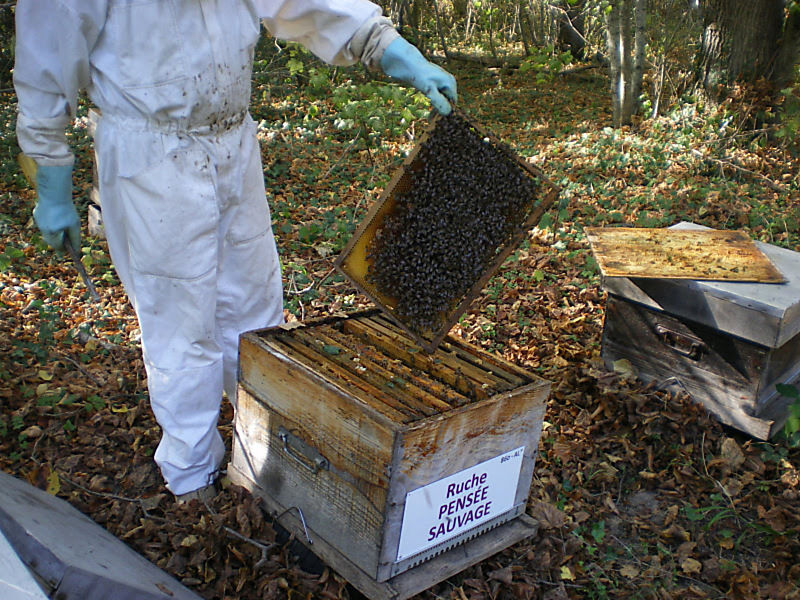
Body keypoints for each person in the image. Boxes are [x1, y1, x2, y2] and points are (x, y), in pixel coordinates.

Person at [14, 1, 457, 502]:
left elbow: (303, 2)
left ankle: (264, 450)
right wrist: (49, 176)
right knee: (182, 330)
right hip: (151, 159)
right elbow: (46, 58)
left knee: (257, 313)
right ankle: (192, 477)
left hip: (233, 146)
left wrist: (392, 49)